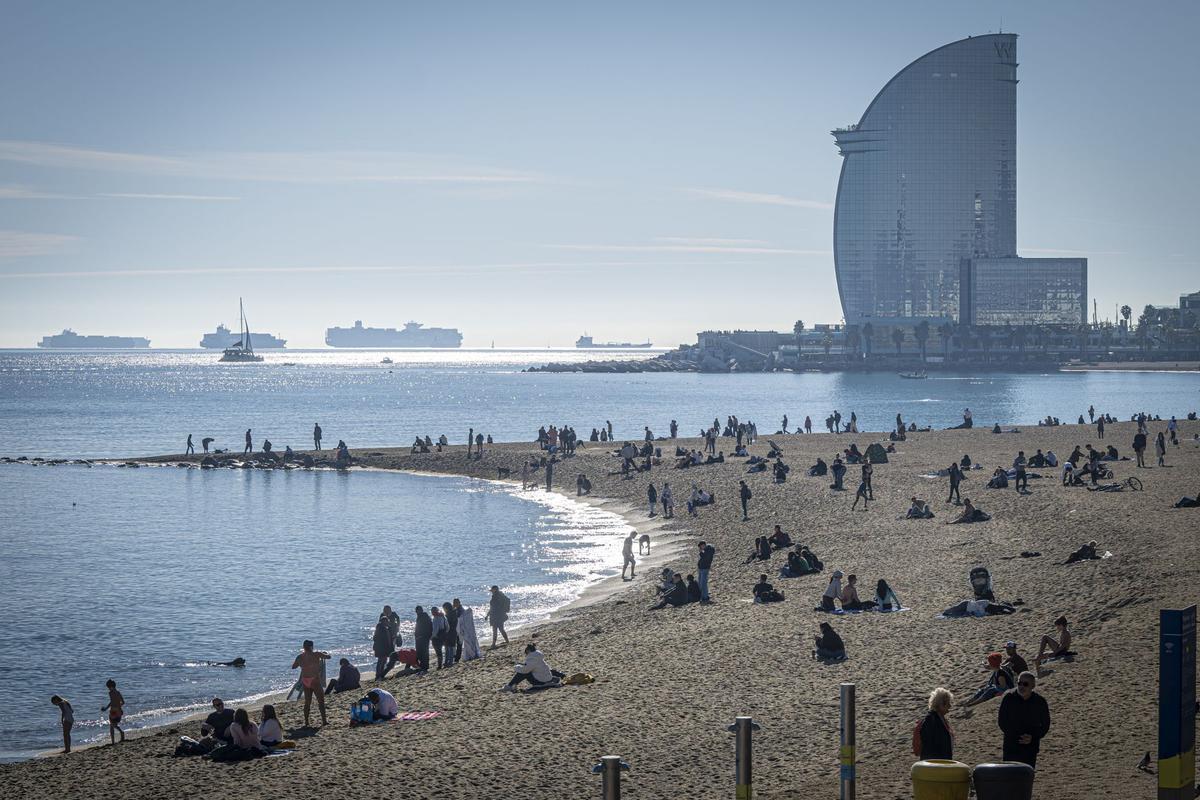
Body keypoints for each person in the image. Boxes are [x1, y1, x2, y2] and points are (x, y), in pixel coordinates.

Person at [998, 672, 1051, 767]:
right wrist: (1017, 735)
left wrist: (1032, 737)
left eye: (1025, 684)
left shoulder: (1040, 702)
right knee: (1009, 777)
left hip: (1030, 748)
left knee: (1026, 778)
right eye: (1019, 683)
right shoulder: (1009, 698)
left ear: (1033, 686)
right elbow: (1002, 722)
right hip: (1011, 746)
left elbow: (1045, 725)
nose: (1021, 686)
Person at [290, 640, 330, 727]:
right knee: (321, 701)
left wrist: (301, 663)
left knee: (307, 702)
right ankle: (324, 721)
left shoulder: (300, 657)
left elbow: (293, 667)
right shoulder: (316, 654)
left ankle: (307, 722)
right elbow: (329, 657)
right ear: (312, 647)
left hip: (305, 680)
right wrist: (324, 653)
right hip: (314, 680)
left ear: (303, 647)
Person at [918, 688, 955, 760]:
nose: (950, 706)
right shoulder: (931, 721)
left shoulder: (940, 719)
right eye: (948, 703)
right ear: (941, 704)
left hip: (940, 762)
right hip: (935, 764)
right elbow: (929, 747)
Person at [101, 679, 125, 744]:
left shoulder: (111, 693)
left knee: (112, 726)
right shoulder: (118, 692)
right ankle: (118, 735)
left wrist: (106, 708)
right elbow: (123, 702)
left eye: (108, 687)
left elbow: (112, 702)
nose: (108, 689)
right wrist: (119, 707)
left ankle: (114, 740)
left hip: (113, 711)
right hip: (118, 711)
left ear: (111, 686)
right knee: (113, 725)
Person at [373, 615, 394, 680]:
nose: (387, 622)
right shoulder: (380, 628)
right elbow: (378, 639)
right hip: (381, 648)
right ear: (383, 621)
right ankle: (378, 675)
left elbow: (389, 638)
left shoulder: (384, 628)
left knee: (383, 661)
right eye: (386, 621)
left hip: (384, 648)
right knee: (381, 661)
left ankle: (380, 674)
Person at [414, 605, 433, 671]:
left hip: (422, 637)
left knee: (422, 652)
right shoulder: (424, 616)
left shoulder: (423, 616)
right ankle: (424, 665)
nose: (416, 612)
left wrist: (419, 635)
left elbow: (422, 627)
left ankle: (424, 666)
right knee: (423, 651)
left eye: (417, 611)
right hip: (423, 637)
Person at [442, 602, 459, 667]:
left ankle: (448, 661)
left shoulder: (448, 615)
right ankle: (449, 661)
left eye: (444, 608)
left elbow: (447, 625)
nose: (444, 610)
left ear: (446, 608)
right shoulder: (454, 613)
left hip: (449, 632)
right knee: (450, 647)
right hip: (453, 632)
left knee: (448, 648)